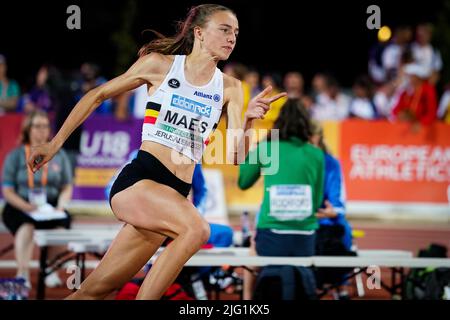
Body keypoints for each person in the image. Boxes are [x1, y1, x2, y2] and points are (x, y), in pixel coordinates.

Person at [27, 4, 286, 300]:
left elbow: (237, 156)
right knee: (196, 230)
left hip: (174, 194)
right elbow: (98, 95)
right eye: (225, 30)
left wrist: (250, 119)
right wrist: (54, 143)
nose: (232, 38)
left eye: (236, 33)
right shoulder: (160, 65)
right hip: (139, 181)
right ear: (199, 33)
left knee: (95, 291)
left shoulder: (231, 88)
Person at [238, 98, 324, 299]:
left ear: (278, 122)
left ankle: (248, 300)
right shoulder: (316, 154)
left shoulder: (267, 147)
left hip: (271, 238)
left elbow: (243, 182)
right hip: (306, 238)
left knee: (252, 248)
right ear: (306, 124)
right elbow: (317, 202)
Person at [1, 110, 73, 288]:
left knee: (61, 227)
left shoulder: (60, 155)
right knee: (26, 227)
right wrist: (26, 207)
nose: (42, 130)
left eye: (45, 126)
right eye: (37, 126)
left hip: (50, 207)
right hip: (21, 206)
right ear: (28, 129)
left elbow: (66, 186)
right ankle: (22, 273)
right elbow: (8, 190)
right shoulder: (16, 156)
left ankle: (50, 270)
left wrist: (61, 206)